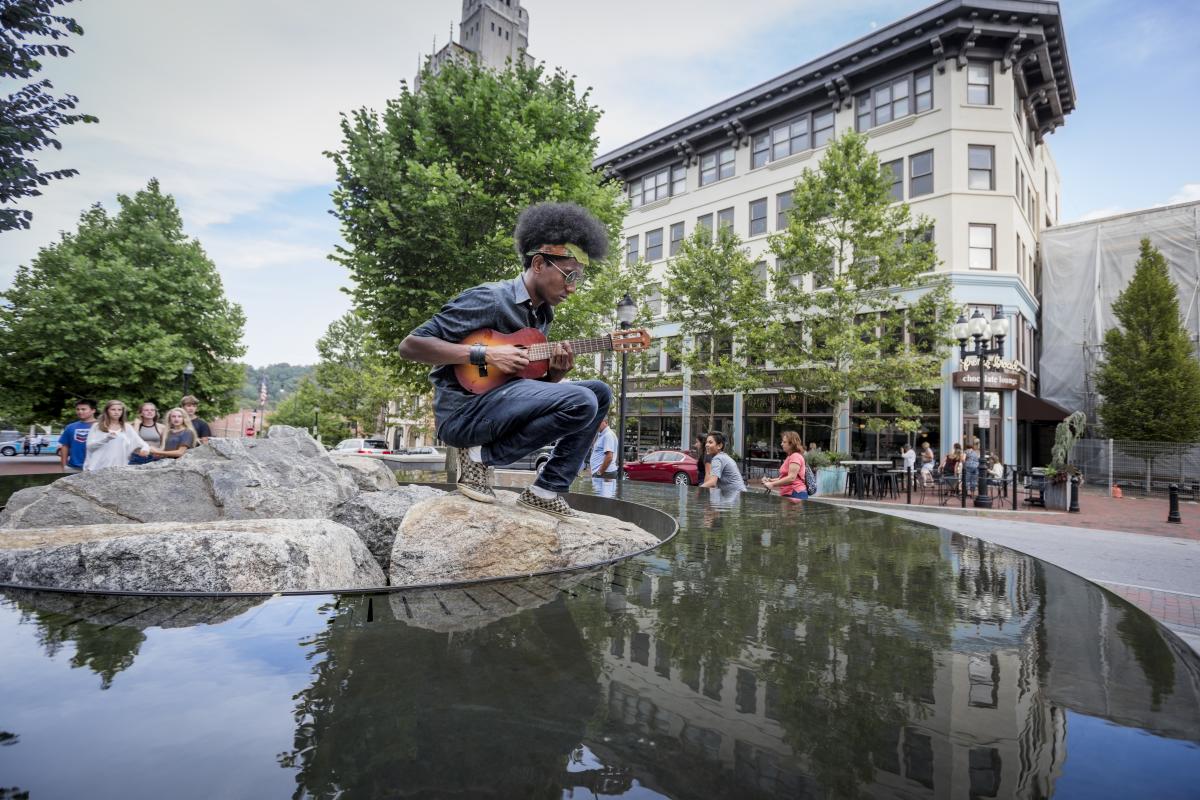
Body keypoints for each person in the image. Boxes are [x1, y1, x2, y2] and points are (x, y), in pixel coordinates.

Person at [397, 202, 611, 522]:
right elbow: (410, 346)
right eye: (569, 275)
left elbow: (519, 388)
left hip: (498, 410)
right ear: (539, 263)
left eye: (578, 278)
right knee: (581, 399)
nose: (572, 288)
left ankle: (545, 491)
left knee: (599, 392)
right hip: (463, 415)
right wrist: (483, 353)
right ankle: (478, 455)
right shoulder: (489, 298)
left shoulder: (541, 317)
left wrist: (554, 375)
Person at [84, 400, 149, 471]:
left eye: (119, 410)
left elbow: (142, 444)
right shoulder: (97, 426)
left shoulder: (127, 427)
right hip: (98, 466)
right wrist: (106, 439)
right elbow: (90, 447)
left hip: (119, 467)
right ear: (107, 411)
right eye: (113, 409)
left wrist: (145, 449)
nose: (116, 412)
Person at [760, 429, 808, 499]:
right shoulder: (790, 456)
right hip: (791, 493)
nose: (781, 444)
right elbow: (784, 477)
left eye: (784, 442)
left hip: (795, 493)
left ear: (792, 444)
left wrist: (772, 484)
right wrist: (770, 480)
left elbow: (791, 478)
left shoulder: (795, 456)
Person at [57, 398, 98, 473]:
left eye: (83, 409)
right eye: (78, 409)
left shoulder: (102, 426)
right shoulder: (70, 427)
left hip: (97, 467)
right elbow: (65, 446)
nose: (80, 411)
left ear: (93, 410)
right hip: (74, 467)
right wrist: (64, 466)